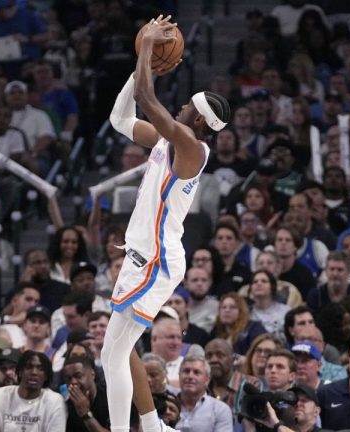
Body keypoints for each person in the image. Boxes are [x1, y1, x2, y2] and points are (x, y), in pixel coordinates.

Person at [101, 15, 231, 432]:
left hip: (155, 259)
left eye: (186, 107)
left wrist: (146, 52)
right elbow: (120, 118)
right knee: (116, 354)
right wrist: (141, 65)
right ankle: (152, 425)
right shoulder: (167, 140)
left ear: (196, 121)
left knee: (114, 356)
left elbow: (146, 94)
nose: (179, 108)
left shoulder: (191, 147)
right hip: (142, 257)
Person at [0, 351, 67, 431]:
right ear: (19, 371)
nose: (34, 372)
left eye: (41, 369)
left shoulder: (55, 401)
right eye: (28, 367)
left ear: (46, 376)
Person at [174, 355, 234, 432]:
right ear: (179, 376)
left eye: (196, 372)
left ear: (207, 380)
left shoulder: (220, 409)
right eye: (186, 371)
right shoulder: (167, 405)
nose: (190, 376)